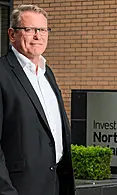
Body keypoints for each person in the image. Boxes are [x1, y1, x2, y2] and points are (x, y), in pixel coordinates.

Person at [0, 4, 75, 195]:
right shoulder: (2, 73)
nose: (37, 36)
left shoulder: (46, 73)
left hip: (56, 184)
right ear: (12, 34)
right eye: (29, 29)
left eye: (42, 30)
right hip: (20, 188)